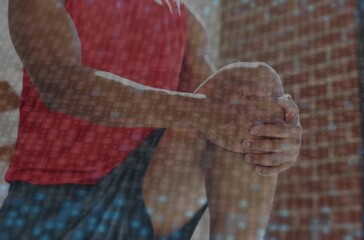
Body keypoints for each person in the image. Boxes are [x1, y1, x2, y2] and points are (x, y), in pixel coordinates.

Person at [0, 0, 302, 239]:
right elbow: (60, 85)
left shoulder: (184, 18)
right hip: (50, 207)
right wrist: (205, 112)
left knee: (253, 86)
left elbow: (227, 119)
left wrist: (275, 141)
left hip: (147, 196)